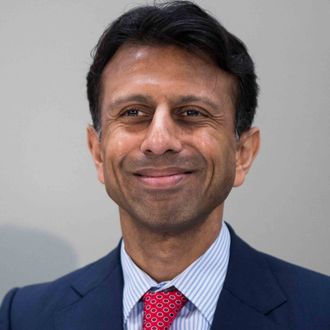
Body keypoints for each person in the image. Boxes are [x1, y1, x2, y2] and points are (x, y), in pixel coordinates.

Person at [1, 1, 329, 329]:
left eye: (192, 112)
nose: (159, 142)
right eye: (133, 113)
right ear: (97, 152)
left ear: (242, 152)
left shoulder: (320, 310)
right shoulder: (25, 317)